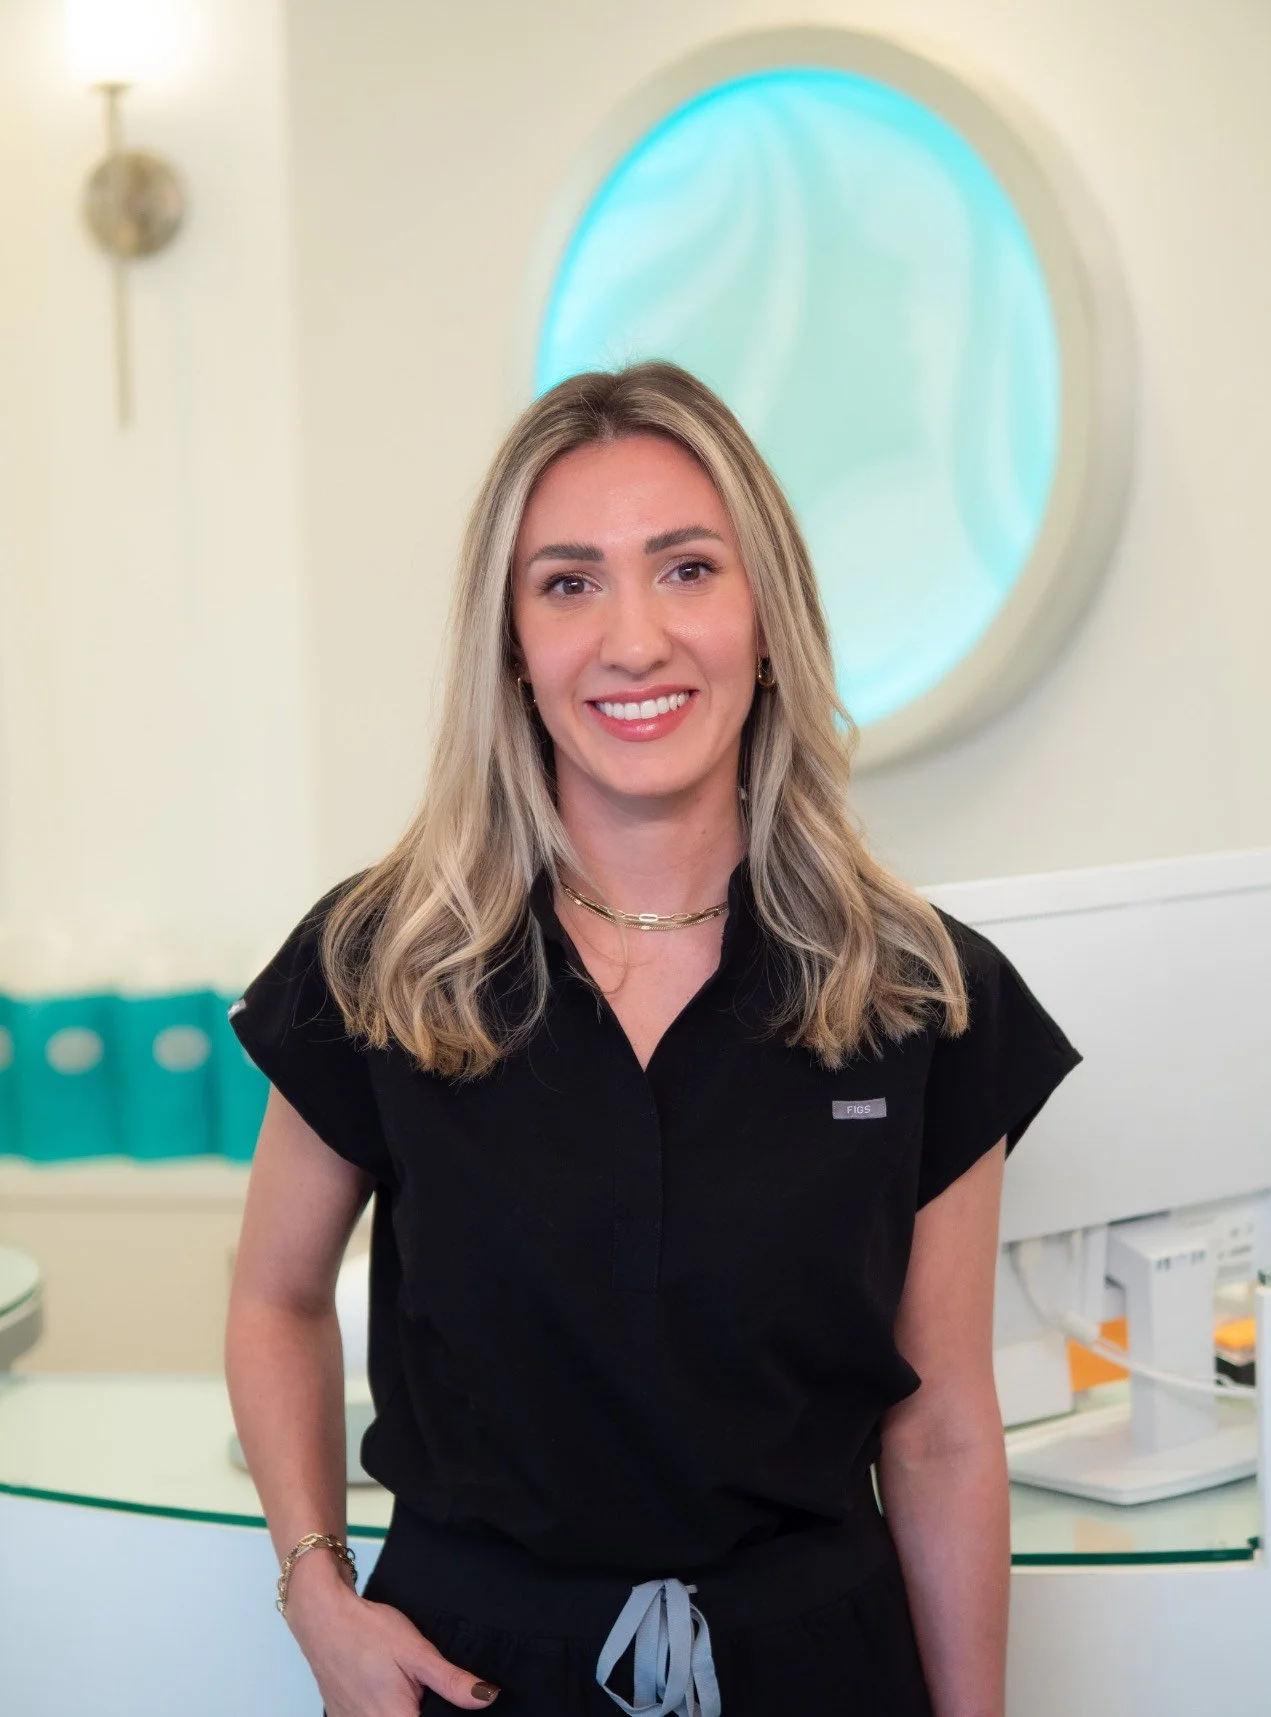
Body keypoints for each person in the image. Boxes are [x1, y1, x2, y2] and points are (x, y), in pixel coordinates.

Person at [224, 360, 1083, 1717]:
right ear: (512, 646)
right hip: (466, 1673)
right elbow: (274, 1300)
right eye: (569, 584)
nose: (634, 641)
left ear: (766, 618)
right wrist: (315, 1592)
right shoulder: (383, 960)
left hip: (822, 1673)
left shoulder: (920, 990)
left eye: (687, 570)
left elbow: (939, 1431)